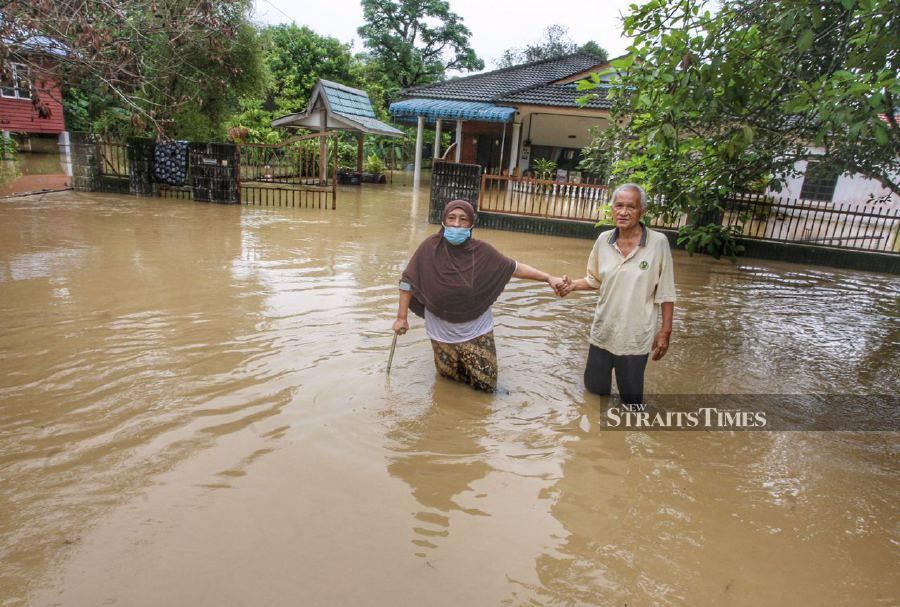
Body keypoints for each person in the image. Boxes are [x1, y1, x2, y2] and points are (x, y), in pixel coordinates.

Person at [393, 199, 567, 392]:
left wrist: (548, 277)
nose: (457, 224)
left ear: (472, 224)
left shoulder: (482, 251)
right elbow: (408, 282)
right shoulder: (429, 248)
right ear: (443, 221)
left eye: (463, 219)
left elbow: (513, 268)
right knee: (449, 386)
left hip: (476, 330)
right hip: (440, 332)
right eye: (451, 218)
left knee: (485, 386)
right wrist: (401, 318)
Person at [559, 184, 676, 404]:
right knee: (594, 397)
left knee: (631, 403)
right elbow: (594, 279)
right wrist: (571, 285)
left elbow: (666, 293)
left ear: (642, 211)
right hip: (603, 332)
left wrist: (665, 333)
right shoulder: (604, 240)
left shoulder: (658, 243)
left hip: (634, 338)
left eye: (630, 206)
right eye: (618, 205)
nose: (623, 212)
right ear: (611, 209)